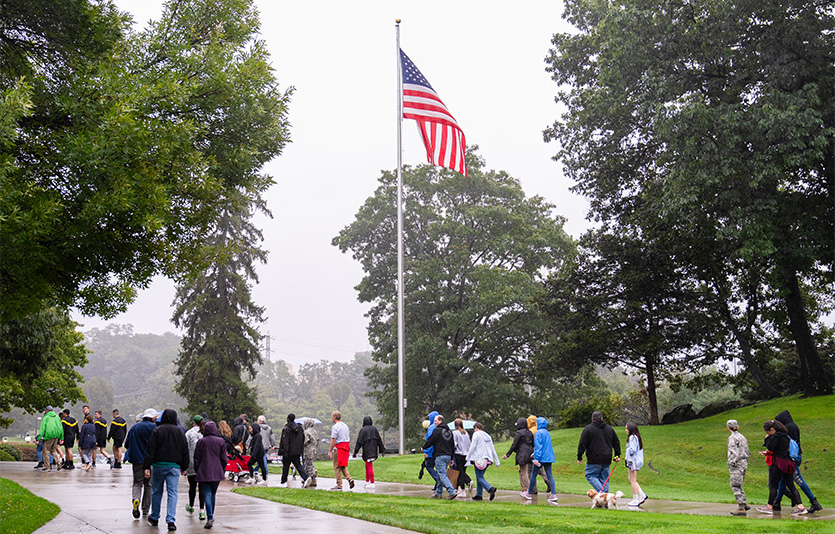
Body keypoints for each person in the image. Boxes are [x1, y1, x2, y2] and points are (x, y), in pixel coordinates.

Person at [144, 408, 190, 531]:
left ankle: (154, 517)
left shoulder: (157, 431)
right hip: (174, 467)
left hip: (158, 465)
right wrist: (184, 466)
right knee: (172, 493)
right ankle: (170, 520)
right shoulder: (180, 432)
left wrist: (147, 466)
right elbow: (185, 450)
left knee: (157, 492)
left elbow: (151, 449)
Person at [774, 410, 823, 513]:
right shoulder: (792, 426)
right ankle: (777, 502)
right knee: (783, 481)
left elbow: (788, 444)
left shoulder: (789, 428)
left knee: (798, 480)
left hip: (791, 458)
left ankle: (814, 502)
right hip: (794, 457)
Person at [756, 419, 806, 515]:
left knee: (773, 485)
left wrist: (767, 438)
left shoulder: (776, 437)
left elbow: (771, 446)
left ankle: (769, 506)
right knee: (791, 486)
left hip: (780, 463)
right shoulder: (785, 436)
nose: (768, 434)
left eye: (768, 432)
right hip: (789, 463)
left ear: (771, 429)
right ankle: (801, 507)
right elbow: (780, 449)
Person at [193, 421, 227, 530]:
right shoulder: (220, 441)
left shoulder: (201, 442)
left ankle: (210, 517)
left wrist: (197, 469)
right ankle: (211, 515)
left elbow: (196, 458)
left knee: (206, 493)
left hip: (204, 471)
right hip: (217, 471)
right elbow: (224, 459)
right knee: (213, 494)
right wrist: (222, 468)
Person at [577, 410, 620, 493]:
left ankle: (603, 494)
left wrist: (579, 456)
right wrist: (617, 455)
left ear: (592, 419)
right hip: (607, 458)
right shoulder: (609, 429)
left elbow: (582, 443)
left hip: (594, 458)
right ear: (602, 418)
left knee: (590, 475)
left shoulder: (588, 429)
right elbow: (616, 442)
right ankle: (604, 500)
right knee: (604, 479)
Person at [125, 408, 157, 518]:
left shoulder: (134, 427)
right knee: (148, 485)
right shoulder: (154, 428)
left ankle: (136, 500)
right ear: (153, 418)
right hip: (151, 461)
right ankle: (145, 509)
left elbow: (126, 444)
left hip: (137, 460)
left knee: (137, 483)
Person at [520, 417, 558, 503]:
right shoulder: (547, 433)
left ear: (538, 424)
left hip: (541, 458)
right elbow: (545, 446)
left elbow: (538, 447)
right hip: (548, 457)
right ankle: (553, 494)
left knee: (533, 474)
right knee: (550, 475)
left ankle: (529, 493)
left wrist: (536, 458)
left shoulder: (538, 433)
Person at [422, 414, 458, 499]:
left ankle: (451, 491)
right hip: (448, 455)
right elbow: (452, 445)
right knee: (439, 473)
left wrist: (424, 447)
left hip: (440, 455)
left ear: (440, 421)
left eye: (435, 421)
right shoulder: (449, 432)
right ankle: (438, 493)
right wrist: (452, 458)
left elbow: (431, 440)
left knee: (442, 474)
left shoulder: (437, 431)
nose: (434, 423)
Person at [465, 422, 500, 501]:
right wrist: (496, 460)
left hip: (479, 458)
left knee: (479, 477)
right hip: (488, 458)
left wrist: (468, 457)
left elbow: (473, 446)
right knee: (480, 477)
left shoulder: (476, 434)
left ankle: (490, 488)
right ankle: (479, 495)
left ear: (476, 428)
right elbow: (492, 448)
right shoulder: (487, 436)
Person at [726, 419, 750, 516]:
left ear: (728, 427)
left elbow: (734, 452)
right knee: (740, 484)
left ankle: (741, 507)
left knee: (735, 485)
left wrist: (731, 462)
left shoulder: (732, 438)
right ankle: (744, 503)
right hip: (744, 462)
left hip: (737, 463)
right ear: (737, 427)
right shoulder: (742, 437)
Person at [504, 417, 534, 495]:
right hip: (529, 454)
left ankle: (527, 490)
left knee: (524, 472)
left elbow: (514, 444)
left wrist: (508, 454)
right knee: (522, 471)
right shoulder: (529, 433)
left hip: (522, 454)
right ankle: (524, 488)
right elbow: (532, 443)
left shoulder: (519, 433)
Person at [353, 416, 385, 489]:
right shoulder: (374, 429)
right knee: (367, 465)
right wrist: (382, 450)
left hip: (367, 450)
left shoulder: (363, 430)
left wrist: (355, 452)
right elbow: (379, 440)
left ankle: (372, 482)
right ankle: (367, 481)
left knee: (369, 465)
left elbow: (359, 442)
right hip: (374, 449)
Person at [185, 415, 206, 519]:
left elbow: (185, 449)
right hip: (203, 464)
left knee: (192, 487)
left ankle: (191, 505)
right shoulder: (205, 433)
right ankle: (202, 510)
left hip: (191, 464)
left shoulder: (188, 433)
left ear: (193, 422)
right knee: (202, 487)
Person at [328, 410, 355, 490]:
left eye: (332, 417)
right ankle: (349, 479)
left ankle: (339, 485)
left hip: (339, 447)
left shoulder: (335, 427)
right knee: (342, 465)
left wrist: (330, 451)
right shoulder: (345, 426)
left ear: (335, 417)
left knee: (336, 467)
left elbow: (334, 440)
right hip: (346, 447)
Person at [278, 414, 308, 487]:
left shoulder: (286, 429)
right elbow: (302, 439)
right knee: (298, 465)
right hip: (297, 451)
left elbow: (285, 442)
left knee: (286, 466)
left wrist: (284, 451)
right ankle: (306, 477)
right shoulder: (300, 429)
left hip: (288, 451)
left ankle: (283, 481)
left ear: (288, 419)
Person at [525, 414, 550, 494]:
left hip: (533, 452)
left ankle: (533, 489)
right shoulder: (541, 430)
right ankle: (547, 480)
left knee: (530, 471)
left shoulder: (530, 431)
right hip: (543, 452)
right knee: (540, 469)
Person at [624, 422, 647, 506]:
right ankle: (642, 494)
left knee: (633, 480)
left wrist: (628, 451)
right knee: (630, 478)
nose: (625, 430)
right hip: (635, 461)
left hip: (634, 461)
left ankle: (635, 498)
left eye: (627, 428)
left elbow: (632, 450)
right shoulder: (636, 437)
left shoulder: (632, 437)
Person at [39, 406, 64, 472]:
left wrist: (40, 437)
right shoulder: (57, 417)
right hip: (56, 436)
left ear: (46, 411)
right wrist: (61, 437)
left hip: (48, 436)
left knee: (46, 451)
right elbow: (61, 428)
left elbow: (42, 428)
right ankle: (59, 463)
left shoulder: (46, 417)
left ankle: (47, 467)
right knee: (53, 450)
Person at [452, 418, 473, 498]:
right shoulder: (465, 433)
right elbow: (469, 444)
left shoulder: (455, 433)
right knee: (462, 470)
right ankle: (460, 488)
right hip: (466, 454)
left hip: (458, 453)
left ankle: (466, 484)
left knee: (460, 472)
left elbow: (454, 444)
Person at [422, 411, 441, 494]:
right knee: (439, 469)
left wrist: (426, 451)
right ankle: (437, 486)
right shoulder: (441, 427)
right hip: (439, 451)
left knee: (429, 466)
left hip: (431, 452)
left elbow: (429, 440)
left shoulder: (431, 428)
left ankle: (438, 480)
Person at [302, 418, 319, 487]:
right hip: (314, 449)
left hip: (308, 450)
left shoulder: (306, 432)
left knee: (308, 465)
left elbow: (305, 441)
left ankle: (312, 478)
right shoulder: (314, 431)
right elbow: (317, 440)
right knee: (310, 463)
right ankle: (311, 478)